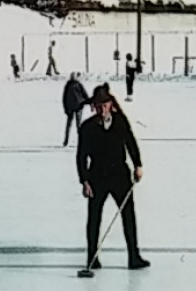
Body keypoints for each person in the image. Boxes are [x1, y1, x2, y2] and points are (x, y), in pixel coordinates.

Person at [75, 88, 149, 270]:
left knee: (128, 216)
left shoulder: (120, 122)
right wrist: (84, 180)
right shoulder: (87, 127)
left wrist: (138, 165)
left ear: (111, 105)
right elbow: (81, 156)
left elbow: (130, 142)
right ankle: (92, 257)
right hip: (96, 177)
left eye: (105, 105)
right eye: (98, 106)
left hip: (120, 175)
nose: (102, 109)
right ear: (94, 106)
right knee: (94, 218)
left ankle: (134, 256)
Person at [62, 72, 91, 147]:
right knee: (78, 126)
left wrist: (65, 108)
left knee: (69, 125)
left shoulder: (68, 86)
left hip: (71, 108)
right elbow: (85, 94)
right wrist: (89, 102)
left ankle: (66, 141)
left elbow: (64, 98)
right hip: (78, 107)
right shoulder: (78, 85)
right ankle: (80, 141)